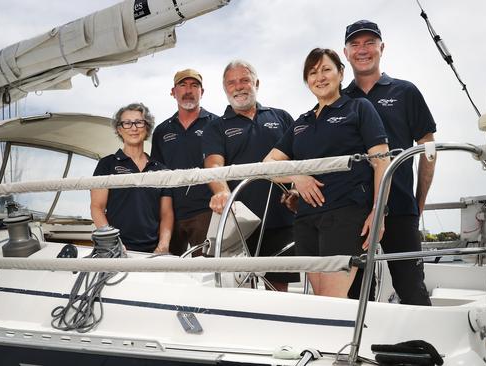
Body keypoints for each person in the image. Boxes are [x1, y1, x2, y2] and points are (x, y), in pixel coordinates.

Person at [264, 48, 390, 298]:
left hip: (346, 214)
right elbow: (268, 164)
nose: (319, 77)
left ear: (341, 73)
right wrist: (297, 177)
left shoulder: (358, 108)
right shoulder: (301, 123)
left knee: (331, 300)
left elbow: (381, 161)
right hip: (306, 220)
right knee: (321, 301)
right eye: (312, 72)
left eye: (326, 69)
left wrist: (379, 211)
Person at [343, 20, 436, 305]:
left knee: (411, 288)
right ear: (345, 53)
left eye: (369, 42)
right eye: (355, 44)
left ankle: (425, 345)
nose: (362, 50)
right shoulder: (340, 100)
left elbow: (428, 150)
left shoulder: (406, 92)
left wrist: (418, 203)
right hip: (353, 214)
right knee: (356, 295)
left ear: (381, 47)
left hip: (399, 208)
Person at [202, 60, 299, 291]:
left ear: (256, 83)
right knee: (238, 288)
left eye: (244, 80)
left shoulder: (282, 117)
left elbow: (300, 158)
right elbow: (214, 164)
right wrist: (222, 192)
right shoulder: (216, 127)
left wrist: (296, 189)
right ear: (225, 88)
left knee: (279, 288)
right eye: (231, 82)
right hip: (240, 222)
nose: (239, 86)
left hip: (281, 217)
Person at [90, 103, 174, 254]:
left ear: (147, 127)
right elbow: (97, 207)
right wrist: (113, 243)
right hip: (117, 248)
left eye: (139, 122)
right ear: (119, 129)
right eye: (127, 123)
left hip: (152, 251)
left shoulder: (161, 170)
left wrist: (163, 245)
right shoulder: (107, 164)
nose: (133, 128)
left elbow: (166, 213)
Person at [151, 69, 218, 256]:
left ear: (202, 92)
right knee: (166, 273)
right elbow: (157, 173)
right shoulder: (162, 131)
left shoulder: (216, 124)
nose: (188, 90)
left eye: (194, 85)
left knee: (207, 273)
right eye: (183, 85)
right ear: (173, 92)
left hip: (207, 211)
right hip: (169, 214)